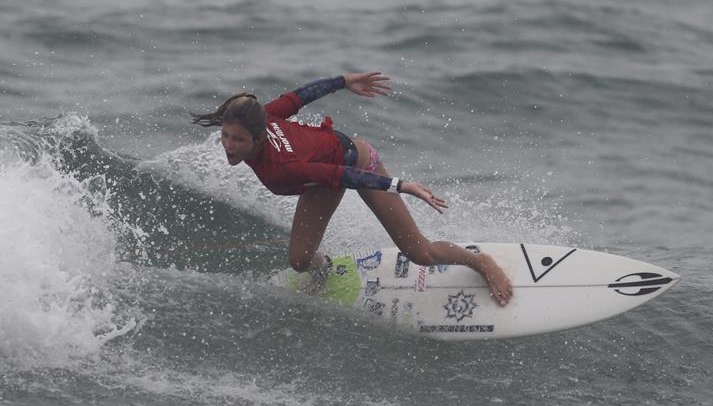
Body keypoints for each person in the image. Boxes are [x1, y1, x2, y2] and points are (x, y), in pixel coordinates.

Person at [191, 71, 513, 306]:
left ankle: (480, 262)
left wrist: (400, 186)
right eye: (226, 137)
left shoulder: (283, 166)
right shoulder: (266, 116)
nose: (229, 147)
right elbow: (301, 96)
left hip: (356, 163)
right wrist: (343, 81)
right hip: (322, 175)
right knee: (300, 261)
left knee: (419, 253)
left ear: (259, 138)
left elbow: (344, 176)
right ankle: (326, 268)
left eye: (238, 140)